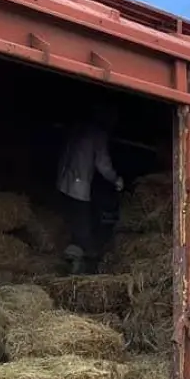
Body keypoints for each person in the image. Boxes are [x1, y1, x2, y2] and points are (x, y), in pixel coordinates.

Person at [56, 106, 125, 274]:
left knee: (70, 224)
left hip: (63, 183)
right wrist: (116, 179)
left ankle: (69, 260)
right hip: (78, 188)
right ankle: (80, 272)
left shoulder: (78, 128)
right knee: (83, 232)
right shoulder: (98, 134)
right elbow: (102, 164)